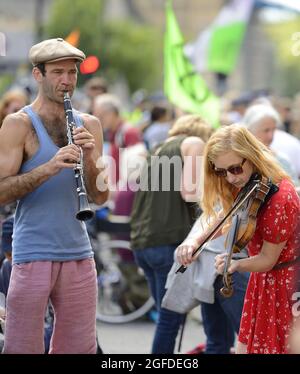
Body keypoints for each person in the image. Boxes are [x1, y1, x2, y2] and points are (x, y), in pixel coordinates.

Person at [0, 37, 109, 354]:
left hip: (78, 252)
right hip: (32, 251)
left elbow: (101, 196)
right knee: (22, 346)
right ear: (38, 74)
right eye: (58, 72)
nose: (67, 81)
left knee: (79, 348)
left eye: (72, 73)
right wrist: (48, 168)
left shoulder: (89, 123)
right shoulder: (18, 124)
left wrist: (90, 157)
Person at [176, 124, 300, 354]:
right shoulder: (250, 184)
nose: (230, 178)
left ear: (251, 156)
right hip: (262, 280)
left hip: (283, 284)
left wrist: (235, 264)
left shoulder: (281, 197)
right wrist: (196, 242)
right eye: (221, 172)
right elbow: (227, 215)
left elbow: (268, 259)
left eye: (234, 169)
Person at [130, 114, 214, 353]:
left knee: (167, 317)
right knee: (170, 319)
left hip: (143, 241)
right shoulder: (193, 143)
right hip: (167, 240)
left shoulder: (157, 148)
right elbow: (189, 192)